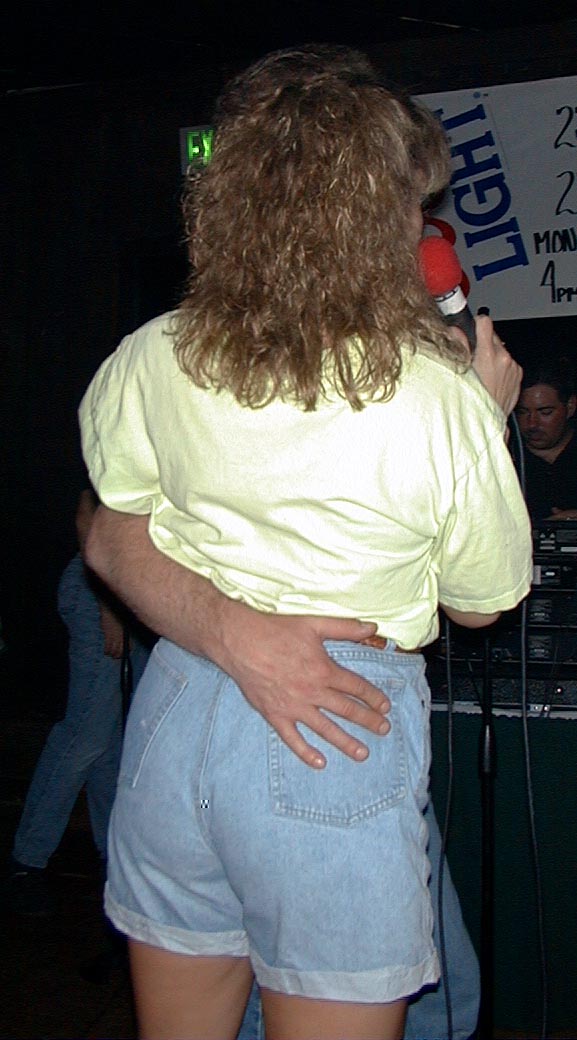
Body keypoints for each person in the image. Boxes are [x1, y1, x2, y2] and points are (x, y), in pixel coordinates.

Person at [79, 45, 531, 1040]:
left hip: (176, 706)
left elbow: (117, 519)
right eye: (408, 207)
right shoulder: (437, 399)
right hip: (333, 723)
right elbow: (482, 600)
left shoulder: (150, 353)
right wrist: (483, 417)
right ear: (371, 219)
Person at [5, 488, 154, 916]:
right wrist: (108, 607)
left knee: (111, 741)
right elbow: (87, 515)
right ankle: (25, 862)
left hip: (141, 593)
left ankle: (112, 861)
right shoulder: (118, 455)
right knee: (85, 734)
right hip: (104, 590)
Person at [515, 357, 577, 522]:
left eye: (545, 412)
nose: (532, 423)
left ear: (570, 406)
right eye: (522, 412)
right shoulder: (507, 458)